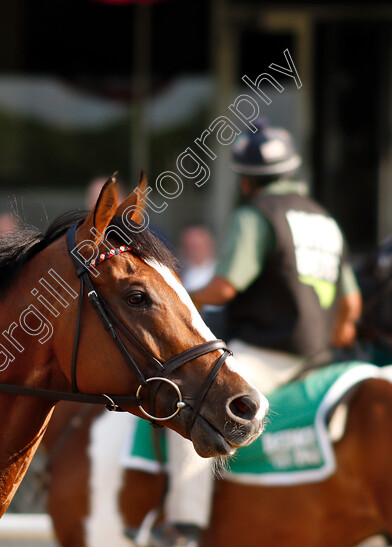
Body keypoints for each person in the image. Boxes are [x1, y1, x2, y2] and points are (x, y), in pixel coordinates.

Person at [154, 123, 362, 546]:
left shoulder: (255, 214)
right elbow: (351, 307)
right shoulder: (324, 218)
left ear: (246, 179)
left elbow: (226, 287)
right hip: (320, 360)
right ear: (291, 169)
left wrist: (174, 302)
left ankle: (184, 525)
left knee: (190, 407)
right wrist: (330, 334)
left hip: (264, 355)